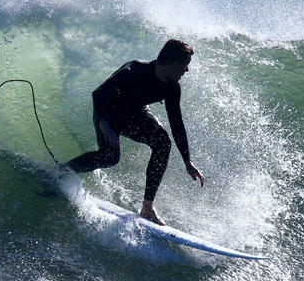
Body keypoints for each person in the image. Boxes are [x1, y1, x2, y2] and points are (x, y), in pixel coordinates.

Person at [62, 39, 205, 226]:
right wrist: (104, 124)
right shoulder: (134, 70)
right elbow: (98, 94)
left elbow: (177, 123)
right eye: (185, 66)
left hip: (136, 115)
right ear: (174, 64)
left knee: (163, 142)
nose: (187, 70)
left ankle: (147, 207)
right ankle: (62, 171)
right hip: (109, 113)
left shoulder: (171, 88)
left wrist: (187, 161)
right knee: (109, 157)